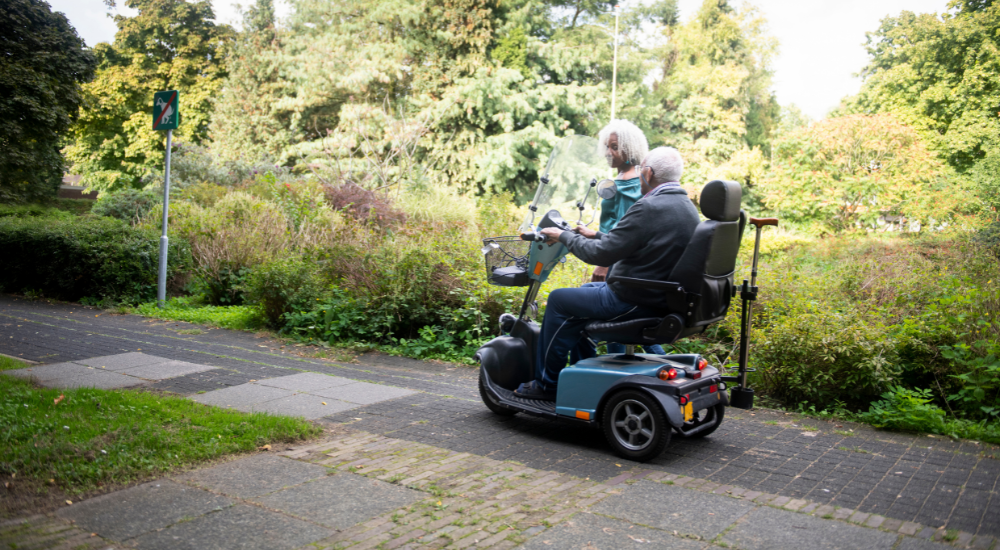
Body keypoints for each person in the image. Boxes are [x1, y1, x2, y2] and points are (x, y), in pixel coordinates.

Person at [514, 147, 699, 401]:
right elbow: (635, 242)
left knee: (558, 300)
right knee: (581, 295)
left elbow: (601, 256)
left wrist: (564, 236)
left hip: (632, 300)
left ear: (647, 172)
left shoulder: (649, 206)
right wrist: (596, 234)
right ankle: (584, 375)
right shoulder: (686, 207)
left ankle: (546, 385)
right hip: (656, 296)